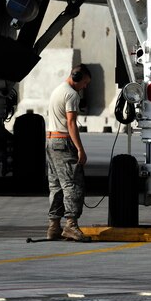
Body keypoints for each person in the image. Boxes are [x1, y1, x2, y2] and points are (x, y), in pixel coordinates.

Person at [46, 63, 92, 242]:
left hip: (51, 141)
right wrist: (80, 149)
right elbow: (71, 123)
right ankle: (71, 225)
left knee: (56, 185)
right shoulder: (71, 94)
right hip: (63, 142)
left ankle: (53, 226)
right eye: (85, 83)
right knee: (73, 184)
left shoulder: (57, 90)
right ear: (77, 78)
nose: (85, 87)